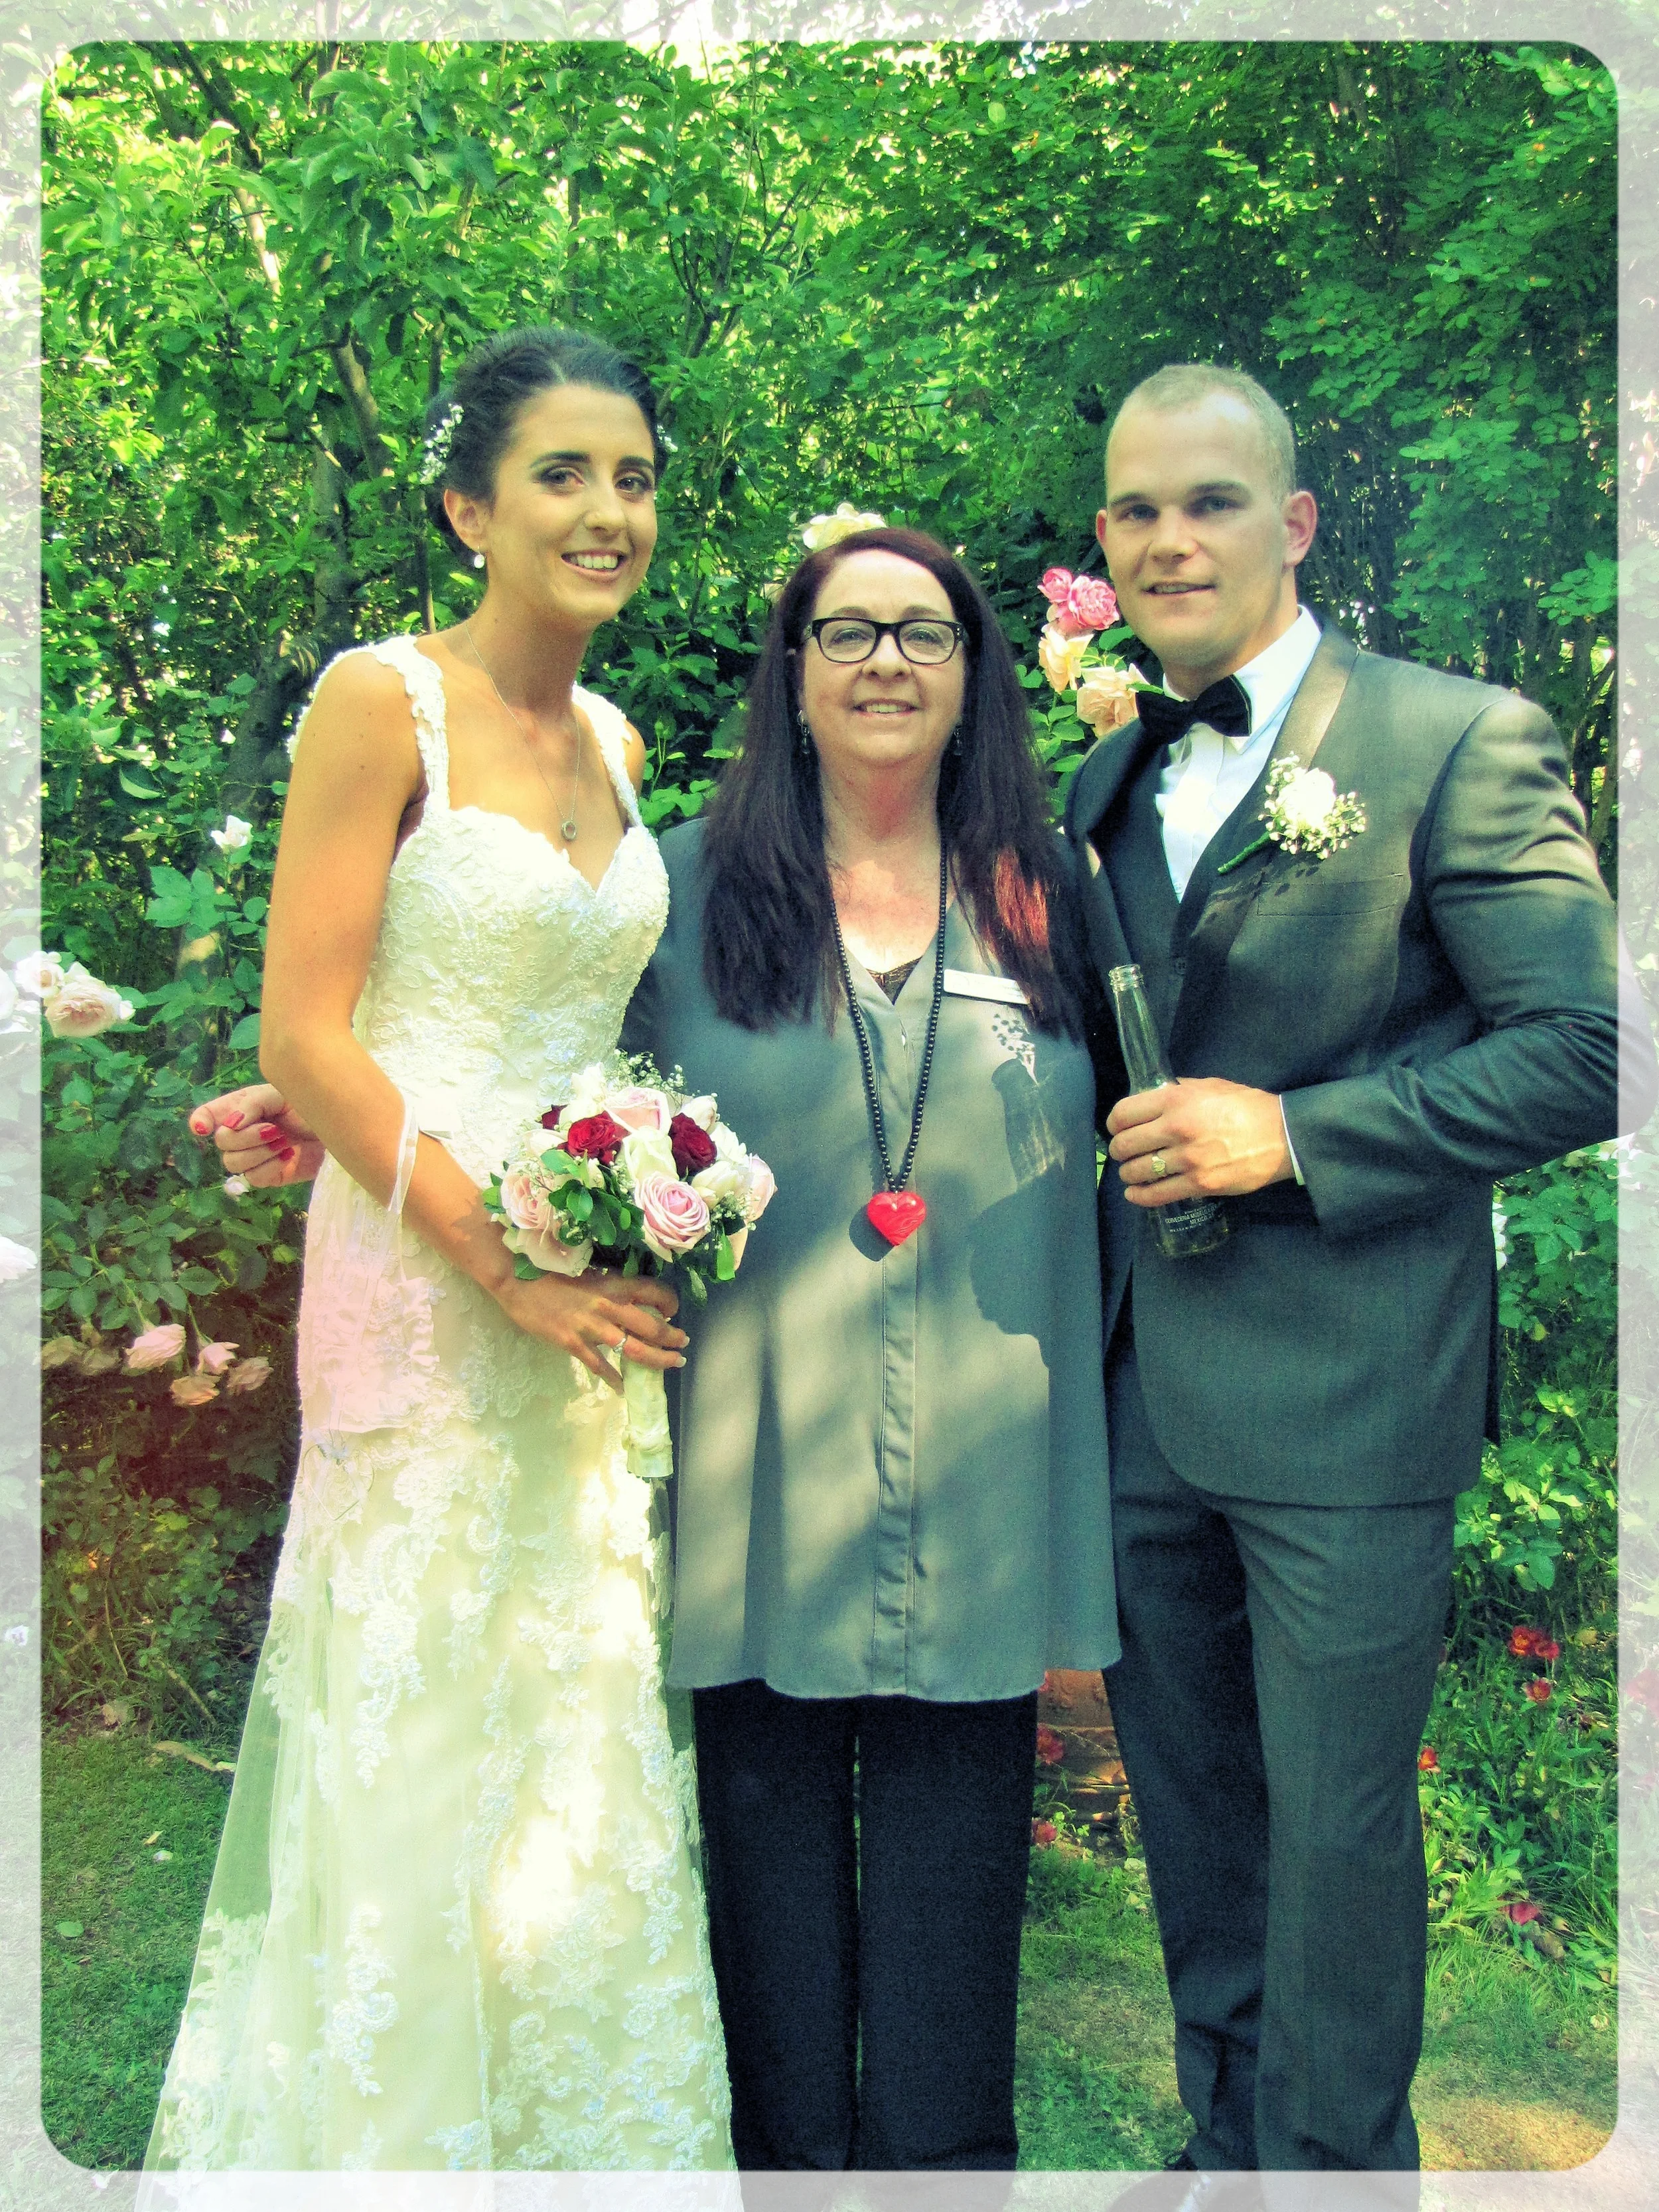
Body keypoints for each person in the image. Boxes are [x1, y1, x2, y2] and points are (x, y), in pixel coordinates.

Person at [195, 524, 1121, 2175]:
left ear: (977, 673)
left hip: (979, 1478)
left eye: (923, 631)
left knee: (956, 1886)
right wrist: (317, 1102)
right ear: (792, 674)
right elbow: (544, 1068)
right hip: (747, 1474)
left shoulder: (1052, 893)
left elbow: (1157, 1104)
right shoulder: (689, 886)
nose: (885, 660)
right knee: (763, 1880)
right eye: (844, 631)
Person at [146, 325, 733, 2172]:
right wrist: (503, 1264)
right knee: (414, 1695)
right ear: (471, 509)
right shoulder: (376, 700)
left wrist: (649, 1186)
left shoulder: (617, 741)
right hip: (426, 1271)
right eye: (562, 474)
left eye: (633, 477)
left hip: (574, 1283)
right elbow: (310, 1030)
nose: (606, 509)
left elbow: (567, 1025)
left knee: (567, 1696)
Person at [1064, 362, 1650, 2180]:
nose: (1169, 539)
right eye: (1135, 509)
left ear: (1294, 521)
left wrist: (1295, 1135)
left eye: (1210, 501)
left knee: (1329, 1837)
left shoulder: (1450, 736)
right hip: (1140, 1390)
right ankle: (1223, 2144)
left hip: (1350, 1395)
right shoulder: (1101, 772)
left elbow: (1592, 1050)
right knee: (1197, 1820)